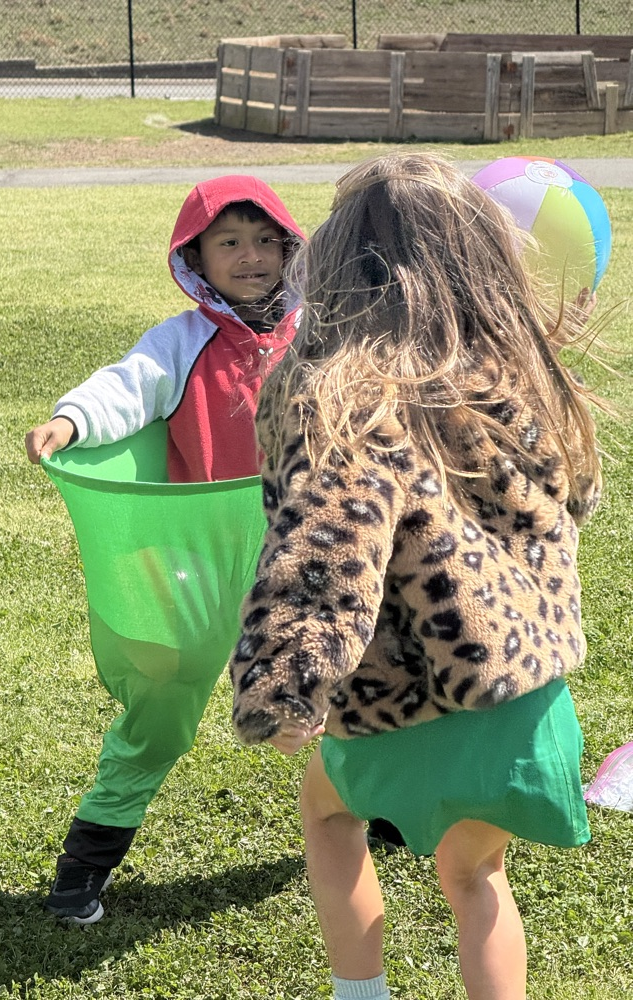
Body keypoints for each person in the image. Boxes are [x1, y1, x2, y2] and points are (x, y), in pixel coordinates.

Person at [229, 152, 605, 1000]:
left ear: (330, 262)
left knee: (328, 814)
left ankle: (360, 993)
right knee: (476, 879)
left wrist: (284, 683)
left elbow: (324, 547)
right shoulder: (523, 370)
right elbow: (571, 499)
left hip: (403, 703)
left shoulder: (339, 392)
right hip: (523, 699)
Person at [25, 175, 304, 923]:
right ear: (197, 258)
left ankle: (381, 809)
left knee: (341, 679)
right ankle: (86, 862)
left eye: (263, 239)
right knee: (164, 703)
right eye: (228, 242)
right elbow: (128, 387)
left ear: (288, 245)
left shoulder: (318, 329)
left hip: (305, 546)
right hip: (205, 558)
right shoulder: (183, 341)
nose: (250, 256)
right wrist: (73, 421)